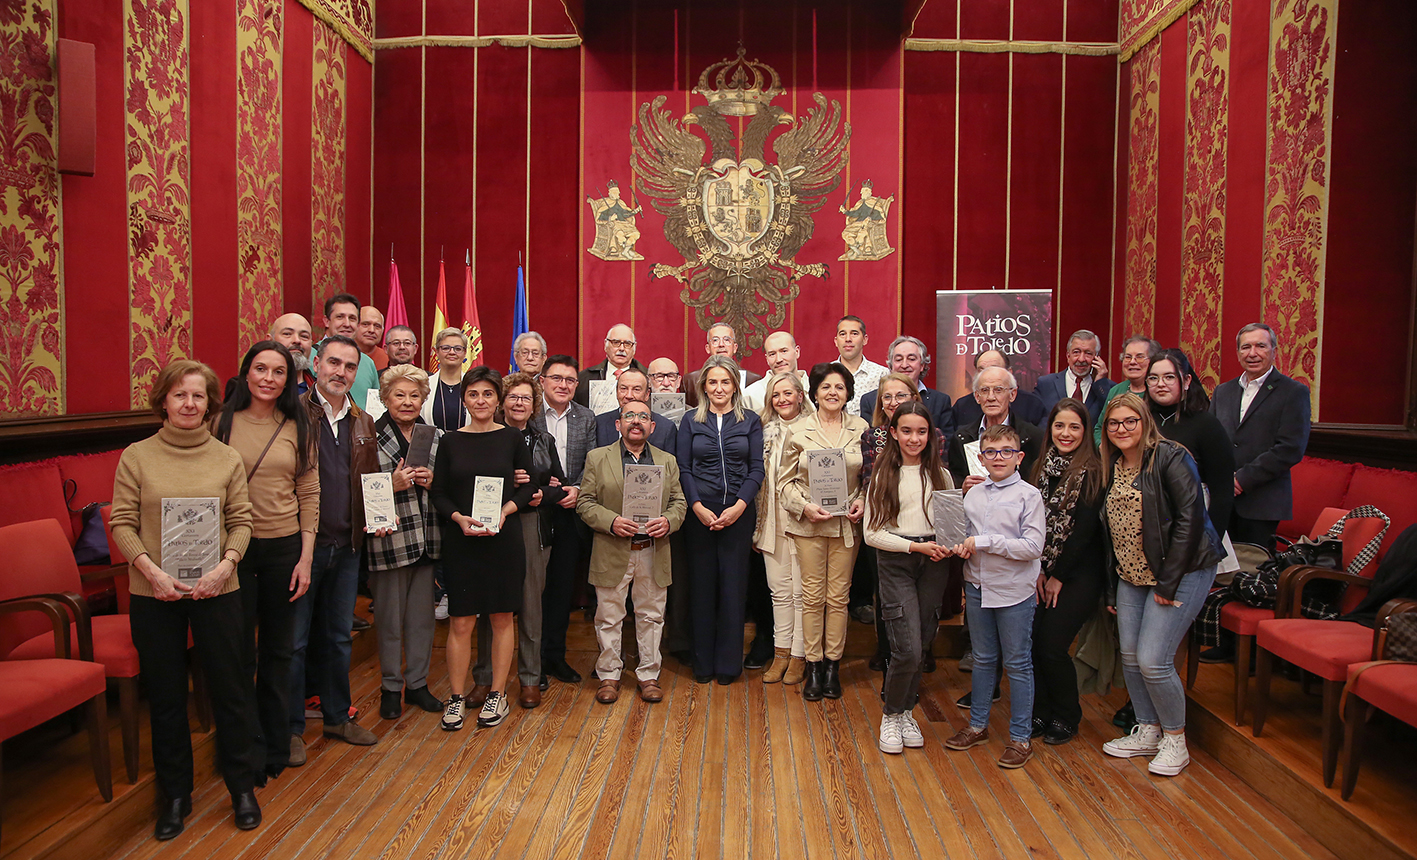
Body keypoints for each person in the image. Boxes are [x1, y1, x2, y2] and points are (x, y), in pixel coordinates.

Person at [110, 359, 264, 839]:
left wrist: (225, 567)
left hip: (218, 589)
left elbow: (242, 521)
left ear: (210, 404)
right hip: (154, 592)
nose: (189, 404)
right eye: (180, 395)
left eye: (198, 396)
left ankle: (241, 786)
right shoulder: (136, 456)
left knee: (231, 691)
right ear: (163, 400)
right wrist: (151, 572)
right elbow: (120, 523)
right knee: (168, 698)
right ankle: (175, 796)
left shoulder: (226, 458)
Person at [1098, 393, 1222, 777]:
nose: (1121, 429)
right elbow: (1110, 532)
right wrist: (1111, 586)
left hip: (1182, 571)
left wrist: (1168, 584)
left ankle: (1175, 739)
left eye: (1129, 421)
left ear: (1145, 421)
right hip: (1131, 574)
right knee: (1131, 657)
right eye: (1114, 423)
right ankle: (1148, 730)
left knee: (1154, 660)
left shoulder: (1170, 456)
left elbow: (1190, 520)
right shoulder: (1112, 464)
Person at [214, 342, 317, 785]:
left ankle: (276, 745)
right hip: (231, 551)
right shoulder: (220, 423)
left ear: (288, 379)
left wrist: (306, 557)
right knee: (237, 655)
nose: (269, 378)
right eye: (261, 368)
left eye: (278, 371)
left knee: (279, 652)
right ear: (245, 373)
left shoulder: (299, 423)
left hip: (284, 548)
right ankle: (241, 751)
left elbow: (309, 493)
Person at [289, 336, 382, 762]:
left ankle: (336, 715)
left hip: (347, 547)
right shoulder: (293, 415)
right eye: (333, 363)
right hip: (301, 548)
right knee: (294, 640)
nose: (340, 372)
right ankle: (290, 726)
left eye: (349, 366)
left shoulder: (363, 420)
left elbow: (371, 479)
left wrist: (378, 517)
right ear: (316, 364)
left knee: (338, 638)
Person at [430, 367, 537, 730]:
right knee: (460, 621)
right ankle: (456, 698)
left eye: (488, 394)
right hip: (462, 540)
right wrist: (459, 518)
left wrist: (507, 510)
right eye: (473, 394)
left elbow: (528, 485)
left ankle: (497, 694)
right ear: (464, 399)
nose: (481, 401)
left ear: (498, 400)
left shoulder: (511, 439)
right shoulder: (449, 441)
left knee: (502, 617)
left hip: (503, 541)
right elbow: (439, 493)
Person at [943, 424, 1045, 769]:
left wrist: (985, 543)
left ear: (1019, 457)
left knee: (1017, 663)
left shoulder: (1029, 496)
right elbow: (965, 534)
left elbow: (1032, 547)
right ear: (981, 458)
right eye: (990, 452)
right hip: (976, 587)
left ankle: (1020, 738)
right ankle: (977, 726)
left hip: (1014, 591)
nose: (997, 458)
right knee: (984, 659)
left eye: (1005, 452)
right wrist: (959, 547)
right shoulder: (974, 494)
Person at [579, 399, 687, 704]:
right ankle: (609, 674)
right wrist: (611, 521)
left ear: (652, 426)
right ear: (618, 424)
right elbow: (584, 502)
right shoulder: (597, 458)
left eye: (643, 416)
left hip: (652, 549)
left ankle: (648, 674)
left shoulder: (667, 461)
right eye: (629, 416)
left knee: (652, 616)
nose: (636, 421)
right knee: (609, 617)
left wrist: (669, 521)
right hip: (612, 548)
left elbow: (680, 503)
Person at [470, 373, 567, 710]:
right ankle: (483, 679)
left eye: (526, 398)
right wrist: (511, 483)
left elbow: (561, 487)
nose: (519, 403)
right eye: (513, 397)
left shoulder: (544, 440)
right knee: (490, 604)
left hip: (532, 526)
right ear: (502, 402)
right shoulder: (486, 436)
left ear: (534, 404)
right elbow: (474, 481)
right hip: (493, 524)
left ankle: (529, 678)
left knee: (530, 607)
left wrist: (541, 492)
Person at [864, 402, 955, 754]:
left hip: (934, 562)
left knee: (923, 639)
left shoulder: (941, 475)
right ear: (893, 433)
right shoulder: (883, 476)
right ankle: (891, 714)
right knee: (907, 647)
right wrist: (914, 548)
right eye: (906, 431)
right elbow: (873, 534)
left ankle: (905, 712)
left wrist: (947, 546)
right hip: (898, 561)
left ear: (930, 435)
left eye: (921, 431)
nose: (914, 438)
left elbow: (949, 527)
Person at [779, 362, 868, 701]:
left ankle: (833, 666)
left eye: (840, 387)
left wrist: (861, 500)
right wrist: (804, 507)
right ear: (814, 393)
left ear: (848, 393)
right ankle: (813, 666)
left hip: (846, 525)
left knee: (839, 597)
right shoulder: (799, 430)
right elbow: (784, 482)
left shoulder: (861, 428)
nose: (833, 392)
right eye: (826, 387)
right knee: (813, 598)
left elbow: (868, 477)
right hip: (809, 526)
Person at [364, 365, 445, 720]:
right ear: (384, 398)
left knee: (421, 620)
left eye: (415, 395)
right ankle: (390, 685)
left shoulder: (434, 435)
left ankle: (417, 684)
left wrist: (433, 481)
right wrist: (390, 484)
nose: (408, 402)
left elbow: (447, 484)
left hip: (427, 537)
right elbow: (359, 485)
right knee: (389, 618)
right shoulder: (368, 435)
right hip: (389, 539)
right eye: (399, 394)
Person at [677, 355, 764, 684]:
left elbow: (757, 468)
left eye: (725, 382)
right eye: (712, 382)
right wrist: (697, 506)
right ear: (703, 386)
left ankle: (729, 665)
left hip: (738, 512)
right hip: (699, 512)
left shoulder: (750, 420)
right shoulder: (690, 421)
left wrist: (740, 506)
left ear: (735, 386)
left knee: (733, 589)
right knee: (701, 589)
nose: (719, 388)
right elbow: (683, 468)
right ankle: (703, 664)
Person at [1027, 398, 1106, 746]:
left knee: (1052, 645)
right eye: (1060, 426)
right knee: (1032, 643)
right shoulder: (1039, 467)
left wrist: (1056, 574)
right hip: (1040, 571)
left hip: (1078, 574)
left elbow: (1083, 533)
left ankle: (1066, 715)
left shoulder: (1094, 471)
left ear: (1085, 431)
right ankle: (1040, 712)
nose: (1066, 433)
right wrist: (1039, 571)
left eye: (1074, 426)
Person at [860, 373, 947, 671]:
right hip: (888, 532)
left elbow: (943, 497)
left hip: (931, 548)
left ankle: (913, 665)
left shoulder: (937, 455)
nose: (893, 401)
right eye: (887, 396)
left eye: (901, 395)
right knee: (893, 610)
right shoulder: (873, 439)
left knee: (922, 618)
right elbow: (868, 480)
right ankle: (893, 663)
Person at [1209, 323, 1310, 550]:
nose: (1252, 353)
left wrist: (1241, 480)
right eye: (1245, 347)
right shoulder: (1222, 392)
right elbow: (1211, 440)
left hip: (1262, 502)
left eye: (1260, 346)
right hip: (1221, 499)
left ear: (1274, 351)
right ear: (1238, 353)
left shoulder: (1293, 392)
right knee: (1219, 573)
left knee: (1252, 577)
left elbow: (1290, 448)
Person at [534, 354, 598, 685]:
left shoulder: (586, 418)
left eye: (570, 380)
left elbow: (593, 462)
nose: (563, 385)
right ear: (542, 380)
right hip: (533, 512)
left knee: (560, 588)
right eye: (556, 378)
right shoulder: (527, 414)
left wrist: (577, 489)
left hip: (571, 512)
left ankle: (554, 657)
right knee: (532, 589)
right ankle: (530, 663)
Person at [753, 371, 814, 684]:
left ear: (800, 395)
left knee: (802, 592)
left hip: (803, 520)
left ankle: (799, 656)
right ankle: (780, 653)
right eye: (776, 395)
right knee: (779, 591)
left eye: (787, 394)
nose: (782, 400)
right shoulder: (763, 430)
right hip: (771, 519)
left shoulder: (814, 429)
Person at [948, 366, 1043, 491]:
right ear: (977, 397)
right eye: (985, 390)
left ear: (1012, 395)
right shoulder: (961, 438)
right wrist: (962, 488)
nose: (991, 397)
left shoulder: (1033, 437)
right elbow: (954, 485)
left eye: (998, 390)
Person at [857, 336, 955, 443]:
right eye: (898, 359)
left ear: (922, 365)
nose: (904, 365)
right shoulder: (870, 400)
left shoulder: (940, 401)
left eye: (911, 359)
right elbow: (868, 442)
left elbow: (947, 443)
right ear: (891, 366)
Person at [952, 350, 1048, 429]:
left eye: (994, 369)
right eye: (982, 370)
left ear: (1009, 372)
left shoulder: (1032, 405)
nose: (989, 375)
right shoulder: (962, 407)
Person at [1035, 329, 1114, 422]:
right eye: (1076, 352)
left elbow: (1111, 417)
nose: (1081, 359)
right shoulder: (1045, 384)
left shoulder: (1108, 388)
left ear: (1096, 357)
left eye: (1088, 353)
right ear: (1068, 356)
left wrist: (1101, 383)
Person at [1093, 336, 1161, 443]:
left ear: (1153, 361)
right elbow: (1099, 429)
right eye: (1128, 357)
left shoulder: (1159, 391)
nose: (1132, 362)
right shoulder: (1116, 391)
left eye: (1139, 357)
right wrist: (1102, 447)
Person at [594, 367, 676, 453]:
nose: (629, 396)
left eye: (636, 389)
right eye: (623, 389)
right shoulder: (599, 423)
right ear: (616, 392)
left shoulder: (666, 428)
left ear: (647, 394)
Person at [320, 293, 380, 407]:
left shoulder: (367, 363)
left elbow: (375, 409)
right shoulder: (310, 356)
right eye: (340, 317)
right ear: (327, 321)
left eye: (352, 318)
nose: (347, 324)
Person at [685, 323, 763, 408]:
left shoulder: (753, 380)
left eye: (727, 340)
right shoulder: (691, 380)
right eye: (715, 340)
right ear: (707, 348)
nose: (721, 344)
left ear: (735, 348)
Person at [575, 324, 647, 408]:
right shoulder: (584, 378)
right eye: (616, 343)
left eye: (627, 344)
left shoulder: (647, 377)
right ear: (606, 345)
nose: (622, 348)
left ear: (634, 348)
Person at [833, 315, 889, 417]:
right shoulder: (826, 373)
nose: (848, 339)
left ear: (865, 339)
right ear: (836, 341)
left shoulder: (881, 374)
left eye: (854, 334)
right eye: (843, 334)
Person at [742, 330, 806, 413]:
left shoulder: (817, 388)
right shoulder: (750, 395)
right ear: (767, 359)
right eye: (772, 354)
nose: (779, 359)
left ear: (797, 352)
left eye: (784, 351)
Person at [422, 328, 470, 433]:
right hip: (433, 447)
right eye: (446, 348)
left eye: (458, 348)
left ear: (465, 353)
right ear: (437, 352)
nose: (452, 352)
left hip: (467, 446)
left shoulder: (473, 385)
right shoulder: (424, 385)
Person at [270, 313, 315, 393]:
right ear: (270, 341)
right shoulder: (248, 390)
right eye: (287, 334)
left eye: (304, 336)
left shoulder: (321, 393)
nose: (297, 340)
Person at [357, 307, 388, 372]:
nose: (372, 330)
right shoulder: (340, 355)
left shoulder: (388, 360)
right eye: (365, 324)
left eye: (377, 326)